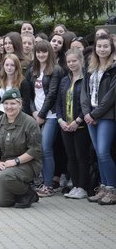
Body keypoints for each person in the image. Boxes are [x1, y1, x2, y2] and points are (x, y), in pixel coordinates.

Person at [0, 89, 42, 208]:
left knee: (5, 176)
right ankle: (19, 194)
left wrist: (15, 161)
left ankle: (28, 193)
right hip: (6, 164)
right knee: (1, 202)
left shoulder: (29, 122)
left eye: (13, 103)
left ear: (20, 104)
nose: (9, 107)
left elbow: (35, 150)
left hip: (28, 163)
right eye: (6, 104)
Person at [26, 41, 64, 197]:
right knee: (38, 149)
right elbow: (28, 95)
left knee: (45, 148)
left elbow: (52, 94)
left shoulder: (56, 70)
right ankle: (42, 181)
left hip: (52, 115)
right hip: (37, 115)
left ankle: (48, 185)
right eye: (38, 52)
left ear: (49, 52)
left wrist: (41, 115)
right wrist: (34, 112)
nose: (41, 55)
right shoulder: (32, 70)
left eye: (44, 52)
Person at [81, 33, 116, 205]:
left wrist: (94, 115)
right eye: (99, 46)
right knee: (98, 153)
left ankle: (112, 189)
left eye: (105, 46)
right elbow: (84, 93)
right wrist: (87, 113)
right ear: (95, 48)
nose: (102, 49)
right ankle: (103, 187)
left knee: (103, 152)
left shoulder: (114, 68)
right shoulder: (90, 66)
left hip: (106, 116)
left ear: (111, 48)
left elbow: (111, 97)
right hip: (90, 116)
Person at [57, 48, 90, 199]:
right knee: (70, 157)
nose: (71, 64)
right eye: (69, 61)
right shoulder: (65, 80)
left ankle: (83, 187)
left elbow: (89, 103)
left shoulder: (87, 79)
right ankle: (75, 185)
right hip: (65, 125)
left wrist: (78, 120)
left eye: (74, 61)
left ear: (81, 61)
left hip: (81, 125)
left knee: (81, 156)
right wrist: (60, 120)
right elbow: (58, 103)